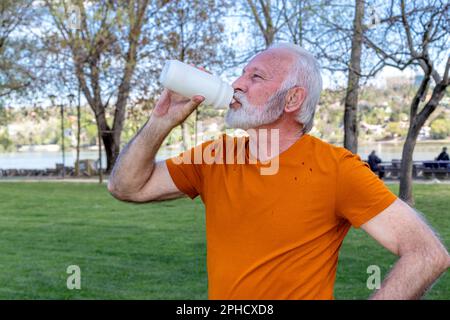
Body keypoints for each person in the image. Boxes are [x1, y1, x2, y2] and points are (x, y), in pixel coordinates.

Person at [108, 43, 449, 300]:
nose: (237, 84)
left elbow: (427, 253)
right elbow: (127, 187)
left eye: (255, 77)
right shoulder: (217, 155)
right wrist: (160, 122)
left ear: (292, 100)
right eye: (242, 73)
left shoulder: (336, 169)